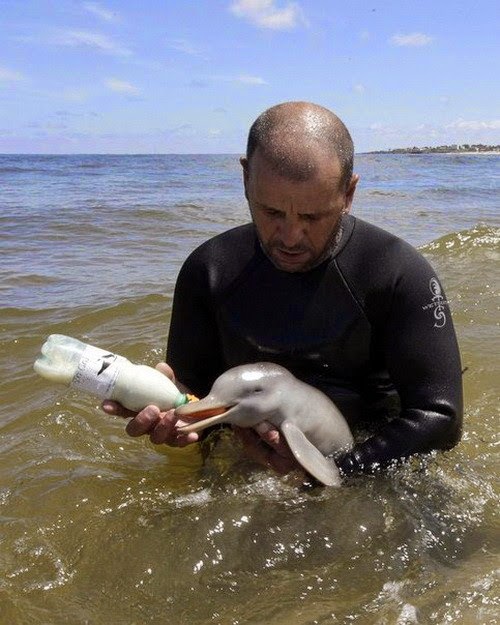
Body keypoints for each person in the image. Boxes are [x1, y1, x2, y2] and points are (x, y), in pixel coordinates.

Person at [103, 101, 463, 476]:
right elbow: (197, 396)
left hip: (367, 462)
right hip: (252, 459)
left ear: (348, 192)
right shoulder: (207, 270)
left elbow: (440, 418)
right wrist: (172, 412)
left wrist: (337, 470)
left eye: (312, 216)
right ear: (245, 179)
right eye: (272, 212)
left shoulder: (398, 273)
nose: (290, 237)